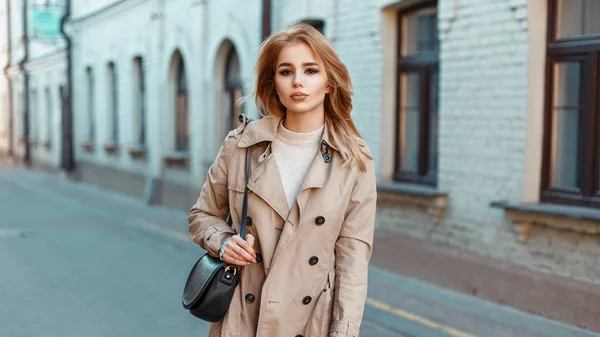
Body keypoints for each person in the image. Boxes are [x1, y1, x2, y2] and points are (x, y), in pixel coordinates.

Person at [188, 23, 377, 337]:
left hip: (310, 322)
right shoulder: (241, 145)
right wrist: (222, 243)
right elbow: (201, 215)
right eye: (286, 71)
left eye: (311, 70)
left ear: (329, 82)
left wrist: (344, 331)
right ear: (273, 81)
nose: (298, 82)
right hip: (243, 318)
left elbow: (353, 259)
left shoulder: (353, 160)